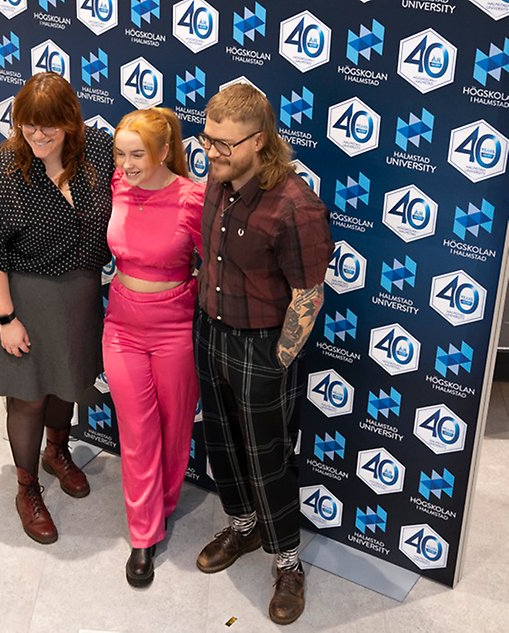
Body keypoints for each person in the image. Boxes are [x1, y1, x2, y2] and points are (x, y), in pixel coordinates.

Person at [193, 83, 333, 624]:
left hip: (262, 346)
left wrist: (279, 359)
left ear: (260, 141)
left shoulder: (294, 205)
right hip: (210, 332)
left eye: (225, 144)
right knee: (222, 441)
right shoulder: (217, 178)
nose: (211, 152)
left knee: (268, 457)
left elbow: (308, 294)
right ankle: (244, 525)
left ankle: (289, 561)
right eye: (208, 139)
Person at [0, 72, 114, 544]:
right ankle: (26, 487)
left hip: (78, 293)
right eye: (28, 124)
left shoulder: (97, 149)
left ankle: (58, 450)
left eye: (49, 125)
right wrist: (6, 320)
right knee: (29, 396)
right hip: (22, 295)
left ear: (70, 122)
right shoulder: (3, 175)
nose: (37, 135)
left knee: (67, 382)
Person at [103, 107, 204, 587]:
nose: (126, 164)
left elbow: (220, 264)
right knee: (137, 432)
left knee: (174, 427)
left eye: (137, 154)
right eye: (121, 153)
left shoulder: (192, 199)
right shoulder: (117, 188)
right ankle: (143, 534)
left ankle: (161, 507)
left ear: (165, 151)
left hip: (175, 330)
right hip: (121, 326)